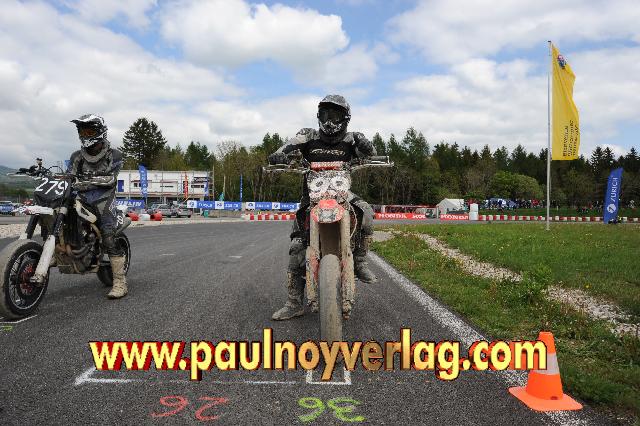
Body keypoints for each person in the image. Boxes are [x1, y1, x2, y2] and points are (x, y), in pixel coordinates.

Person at [268, 95, 377, 321]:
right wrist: (279, 155)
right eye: (326, 114)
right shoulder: (308, 135)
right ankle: (293, 303)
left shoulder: (352, 138)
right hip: (312, 197)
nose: (329, 120)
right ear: (319, 116)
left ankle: (360, 260)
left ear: (345, 118)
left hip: (342, 194)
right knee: (297, 247)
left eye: (335, 115)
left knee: (366, 211)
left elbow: (370, 153)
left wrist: (368, 148)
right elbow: (286, 147)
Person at [68, 114, 128, 299]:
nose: (85, 135)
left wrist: (83, 181)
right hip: (82, 197)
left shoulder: (114, 154)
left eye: (89, 131)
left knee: (108, 236)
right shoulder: (77, 156)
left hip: (104, 198)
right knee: (62, 217)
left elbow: (110, 179)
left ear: (100, 132)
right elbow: (70, 177)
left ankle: (120, 282)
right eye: (82, 131)